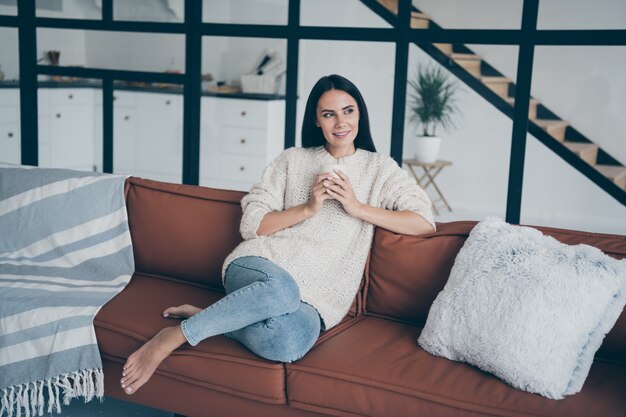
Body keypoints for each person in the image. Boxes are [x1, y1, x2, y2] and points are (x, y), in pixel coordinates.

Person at [120, 74, 435, 395]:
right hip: (262, 266)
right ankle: (172, 337)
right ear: (316, 120)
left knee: (286, 343)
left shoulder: (379, 169)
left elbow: (424, 221)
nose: (341, 122)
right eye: (329, 114)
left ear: (360, 114)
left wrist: (356, 207)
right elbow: (252, 225)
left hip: (317, 300)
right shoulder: (293, 160)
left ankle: (216, 317)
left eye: (348, 111)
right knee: (282, 291)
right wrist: (309, 208)